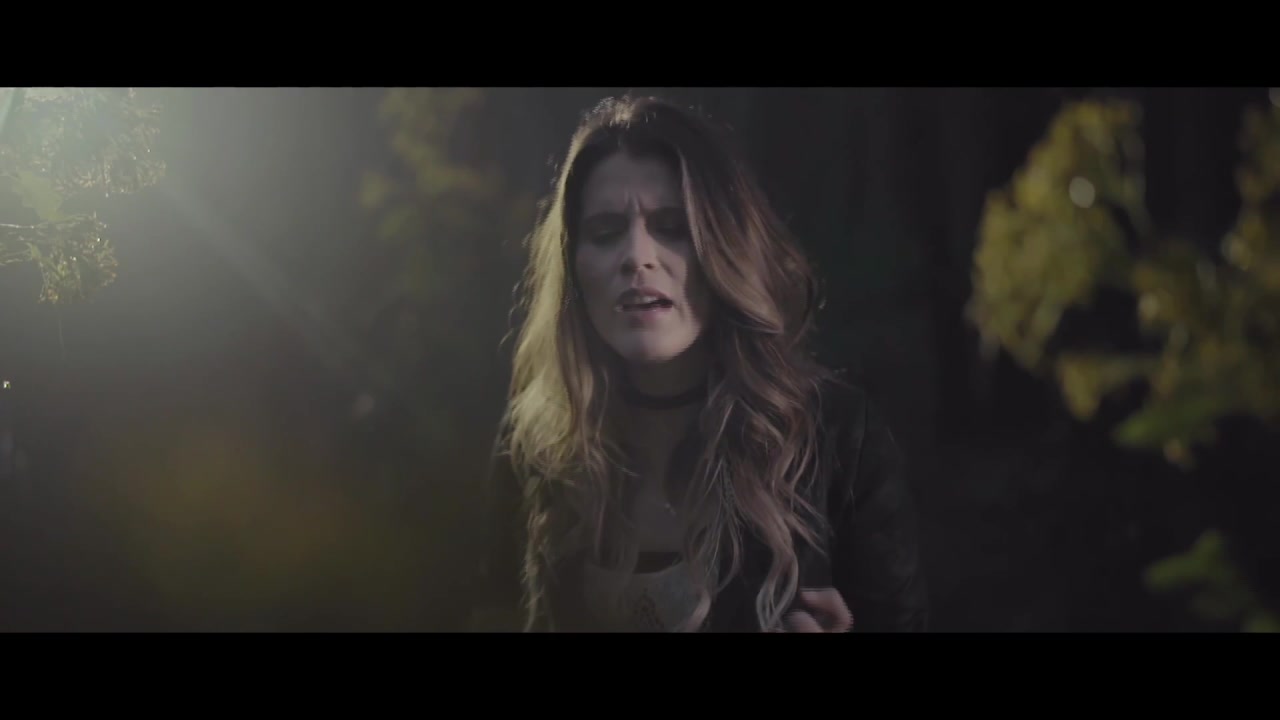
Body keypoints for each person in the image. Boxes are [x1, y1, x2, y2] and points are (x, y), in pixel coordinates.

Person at [474, 95, 927, 632]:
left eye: (673, 226)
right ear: (573, 267)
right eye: (605, 232)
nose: (637, 257)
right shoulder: (535, 443)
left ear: (723, 247)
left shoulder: (836, 439)